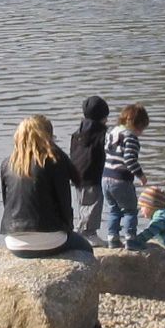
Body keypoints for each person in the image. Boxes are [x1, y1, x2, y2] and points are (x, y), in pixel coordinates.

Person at [0, 115, 89, 257]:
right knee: (86, 248)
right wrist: (68, 230)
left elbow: (7, 202)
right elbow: (64, 203)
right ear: (48, 136)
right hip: (50, 238)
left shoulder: (6, 164)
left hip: (13, 240)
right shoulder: (54, 161)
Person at [102, 105, 149, 247]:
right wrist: (140, 175)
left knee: (114, 209)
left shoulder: (111, 132)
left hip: (105, 178)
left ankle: (113, 238)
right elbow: (129, 159)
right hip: (121, 179)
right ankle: (130, 239)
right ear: (138, 125)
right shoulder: (131, 138)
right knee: (130, 210)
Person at [68, 96, 110, 242]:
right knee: (93, 204)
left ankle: (82, 229)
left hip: (77, 174)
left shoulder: (77, 134)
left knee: (83, 204)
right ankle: (89, 233)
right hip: (93, 174)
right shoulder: (101, 134)